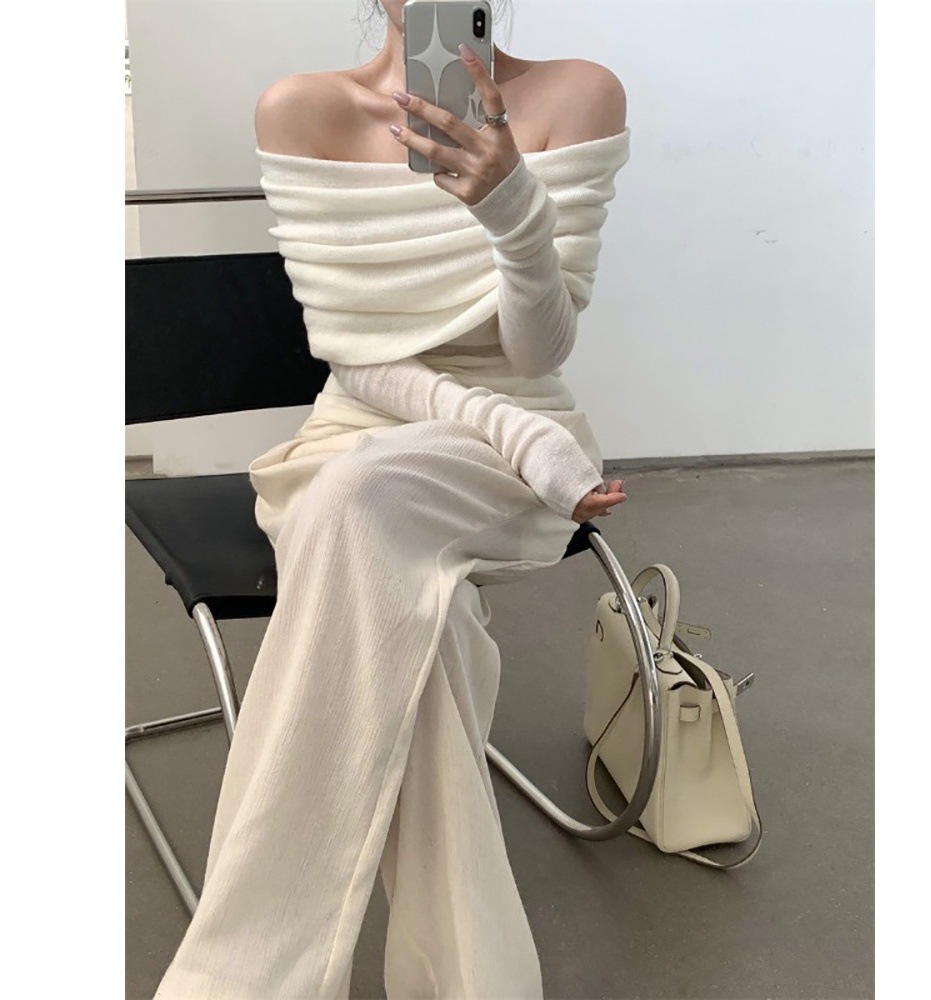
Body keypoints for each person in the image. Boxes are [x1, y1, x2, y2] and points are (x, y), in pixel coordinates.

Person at [154, 2, 631, 997]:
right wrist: (523, 438)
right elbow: (353, 355)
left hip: (502, 455)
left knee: (353, 502)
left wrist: (513, 209)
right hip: (371, 432)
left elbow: (537, 352)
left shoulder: (578, 96)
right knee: (418, 603)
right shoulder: (301, 111)